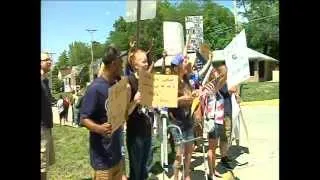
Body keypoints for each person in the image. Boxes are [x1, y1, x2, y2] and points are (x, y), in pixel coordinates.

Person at [80, 45, 128, 180]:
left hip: (116, 155)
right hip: (102, 159)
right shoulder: (95, 89)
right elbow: (83, 118)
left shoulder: (117, 86)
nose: (122, 67)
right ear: (113, 64)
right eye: (121, 64)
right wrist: (99, 128)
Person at [126, 48, 153, 180]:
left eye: (147, 61)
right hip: (135, 134)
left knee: (144, 170)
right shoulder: (128, 82)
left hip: (147, 131)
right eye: (143, 62)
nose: (146, 64)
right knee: (136, 172)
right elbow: (124, 113)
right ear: (135, 65)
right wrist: (135, 101)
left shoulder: (148, 80)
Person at [168, 53, 196, 180]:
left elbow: (190, 96)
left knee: (189, 150)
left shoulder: (186, 80)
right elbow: (166, 101)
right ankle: (175, 177)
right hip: (176, 122)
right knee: (179, 153)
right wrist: (181, 99)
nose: (187, 64)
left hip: (188, 119)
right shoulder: (170, 82)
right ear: (176, 67)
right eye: (184, 62)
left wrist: (194, 94)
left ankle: (187, 175)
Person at [41, 52, 55, 180]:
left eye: (50, 59)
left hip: (47, 127)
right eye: (46, 59)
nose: (50, 61)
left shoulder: (45, 80)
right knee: (42, 165)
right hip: (41, 128)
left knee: (44, 164)